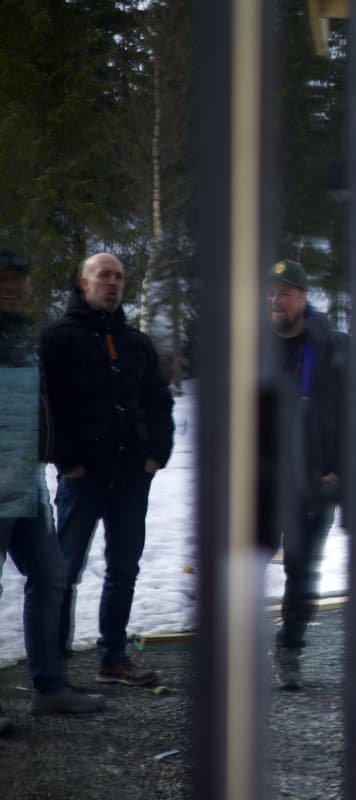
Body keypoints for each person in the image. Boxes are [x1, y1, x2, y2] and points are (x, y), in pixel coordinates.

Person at [39, 252, 175, 687]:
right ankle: (54, 660)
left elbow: (158, 401)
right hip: (83, 477)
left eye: (118, 276)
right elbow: (47, 406)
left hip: (132, 475)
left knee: (124, 567)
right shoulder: (59, 338)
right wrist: (67, 461)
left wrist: (156, 455)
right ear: (83, 283)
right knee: (64, 569)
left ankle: (113, 657)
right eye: (104, 276)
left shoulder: (135, 342)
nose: (113, 283)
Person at [0, 247, 105, 732]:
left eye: (19, 278)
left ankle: (50, 688)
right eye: (4, 279)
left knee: (52, 577)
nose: (13, 287)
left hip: (28, 487)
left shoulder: (27, 337)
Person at [263, 259, 344, 690]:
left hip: (312, 483)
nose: (277, 299)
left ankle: (288, 651)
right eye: (272, 292)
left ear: (304, 297)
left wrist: (341, 472)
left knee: (300, 572)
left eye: (286, 292)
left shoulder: (332, 346)